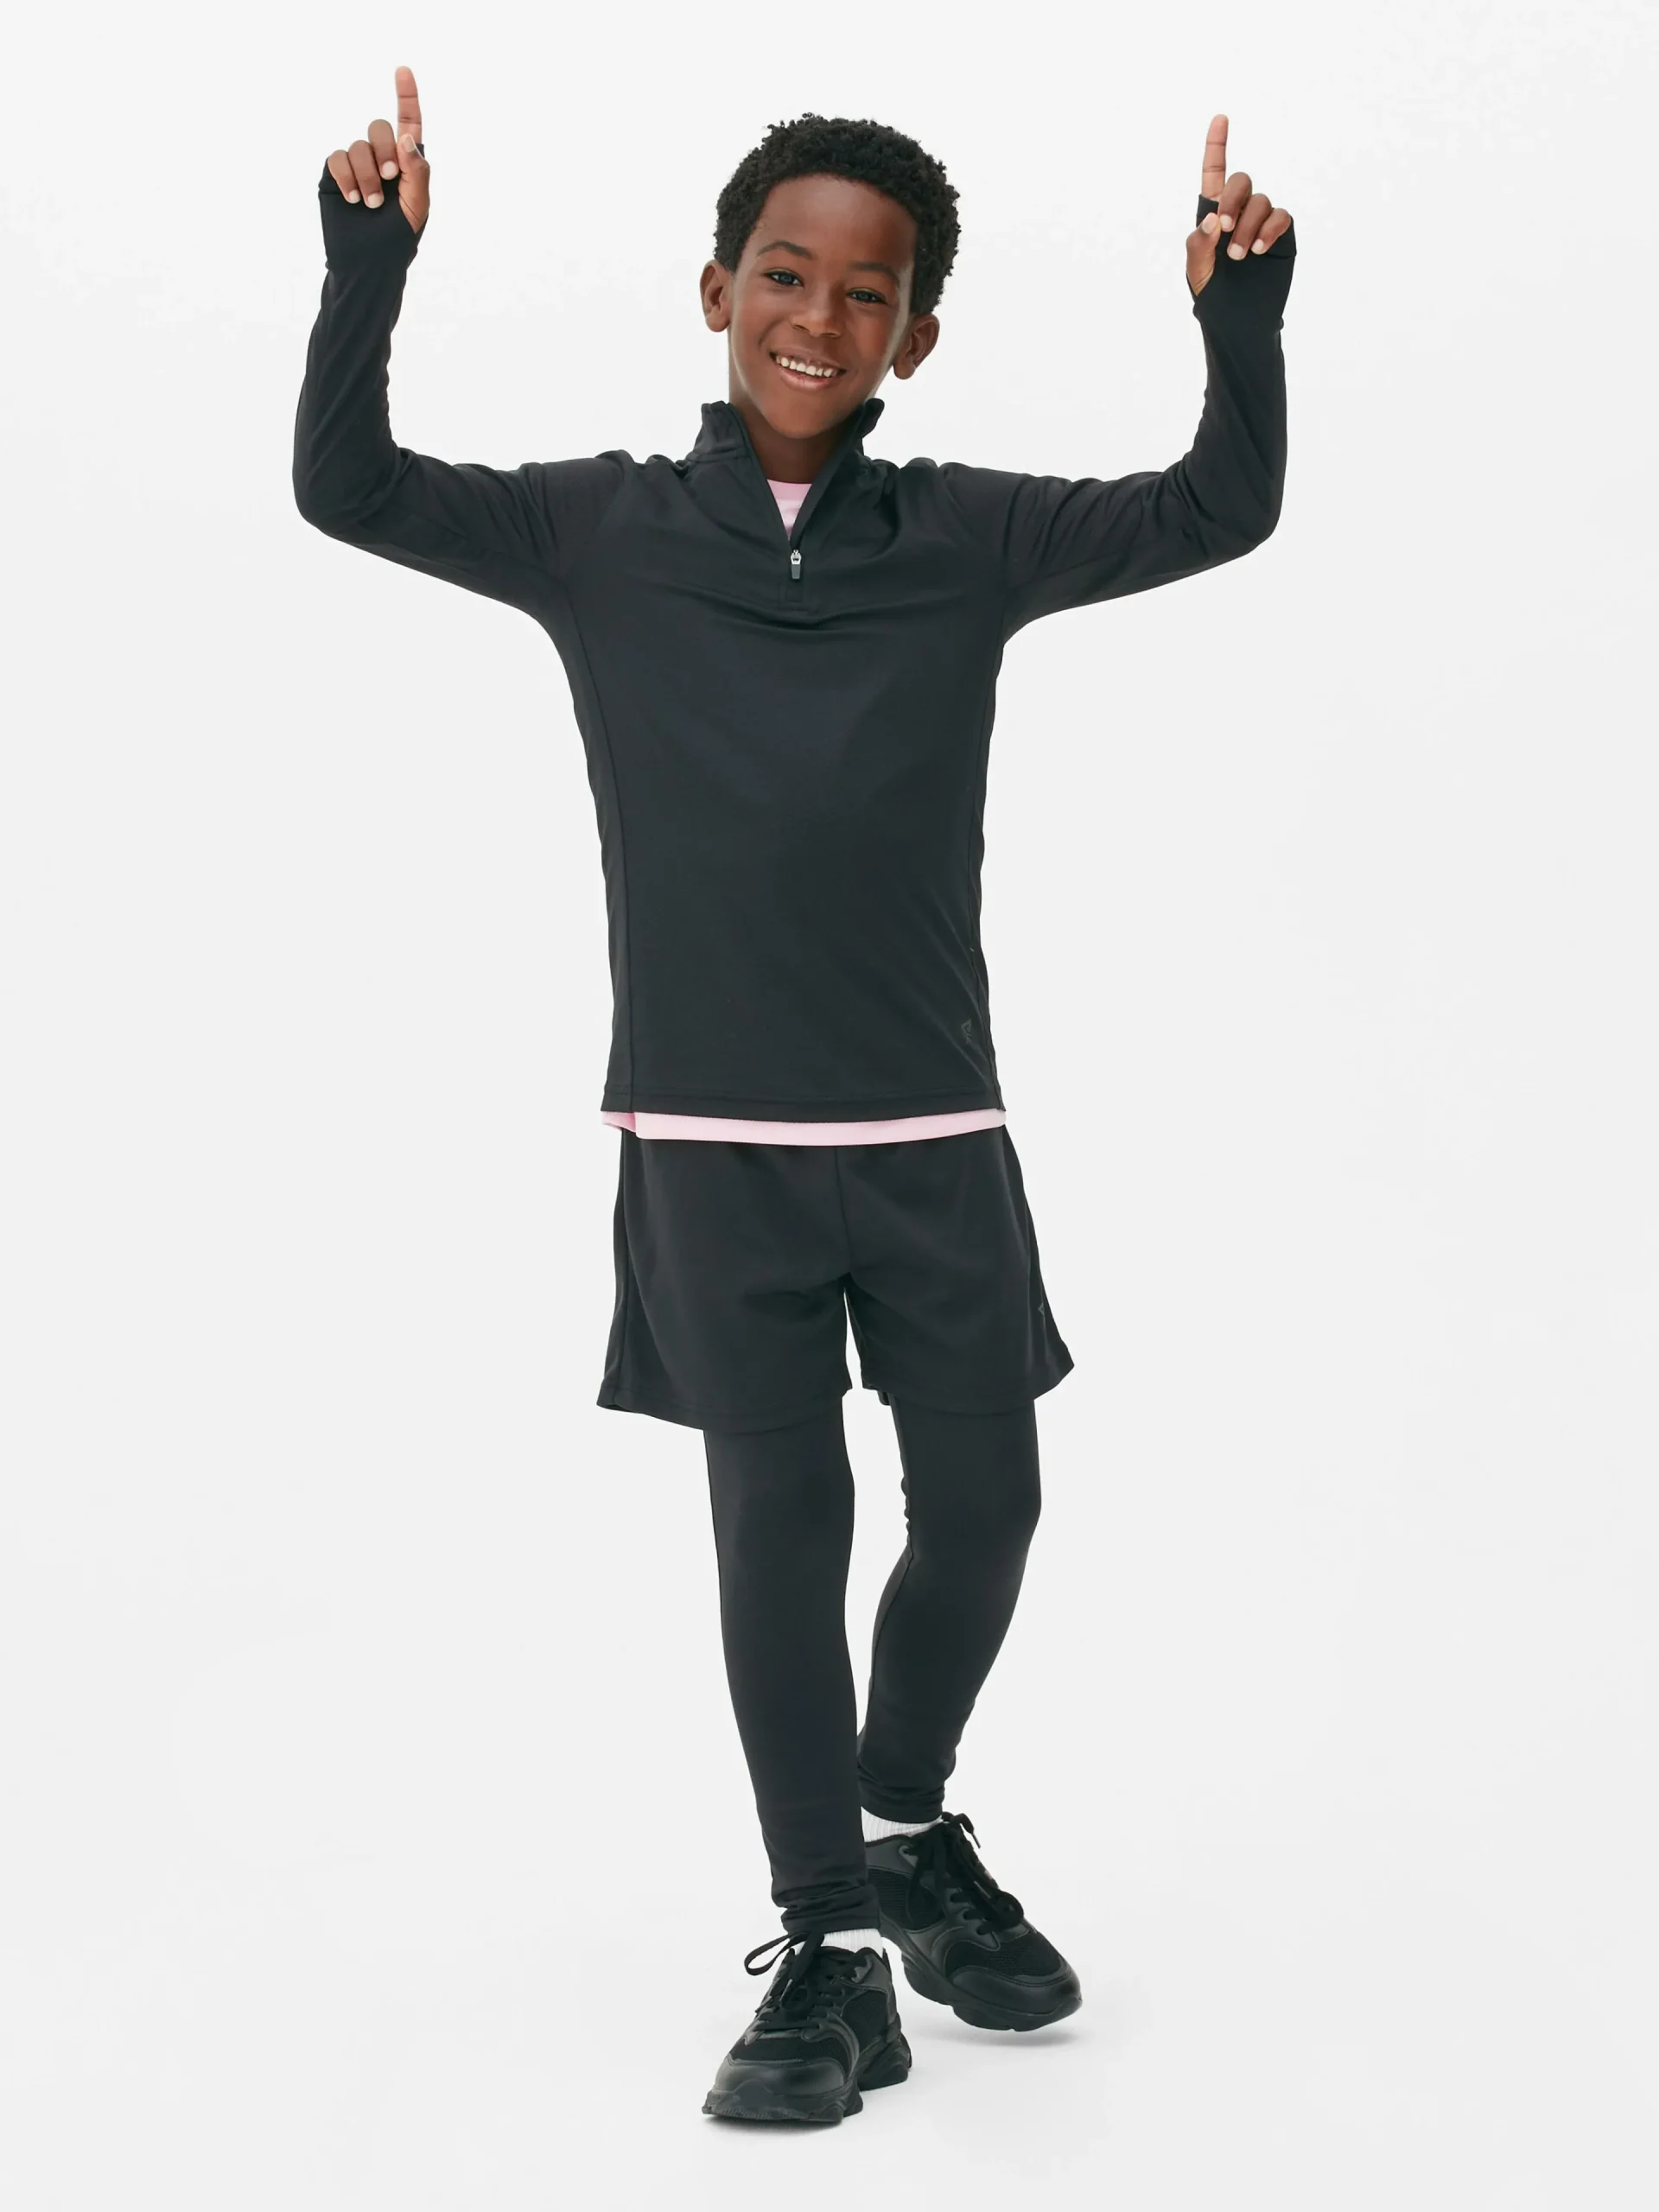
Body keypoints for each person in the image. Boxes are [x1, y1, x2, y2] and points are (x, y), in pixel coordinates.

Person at [293, 67, 1296, 2126]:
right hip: (710, 1144)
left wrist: (1243, 321)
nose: (817, 316)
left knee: (990, 1507)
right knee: (784, 1525)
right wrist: (364, 271)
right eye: (783, 272)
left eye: (866, 290)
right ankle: (828, 1941)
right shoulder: (598, 531)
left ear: (913, 334)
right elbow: (352, 488)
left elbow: (1217, 508)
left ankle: (903, 1819)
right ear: (716, 291)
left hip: (930, 1133)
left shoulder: (971, 535)